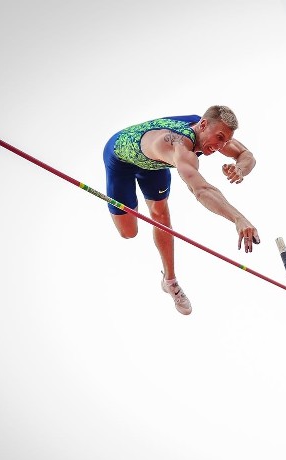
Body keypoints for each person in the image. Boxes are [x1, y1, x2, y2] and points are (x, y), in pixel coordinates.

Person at [103, 105, 259, 315]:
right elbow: (201, 190)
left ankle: (170, 281)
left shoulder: (207, 131)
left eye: (226, 141)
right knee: (128, 232)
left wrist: (239, 169)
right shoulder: (180, 147)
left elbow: (246, 154)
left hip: (154, 165)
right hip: (120, 159)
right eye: (219, 138)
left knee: (161, 214)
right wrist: (238, 219)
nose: (221, 146)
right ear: (203, 125)